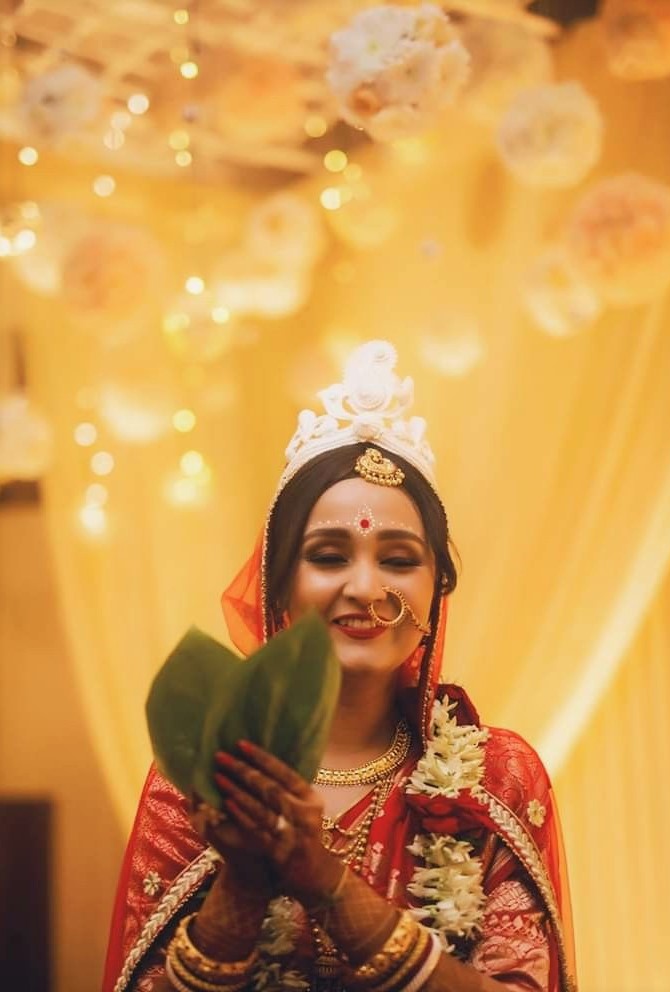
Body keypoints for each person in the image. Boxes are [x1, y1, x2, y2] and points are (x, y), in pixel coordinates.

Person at [102, 340, 576, 992]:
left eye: (399, 559)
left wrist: (324, 881)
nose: (365, 587)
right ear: (278, 587)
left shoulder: (495, 777)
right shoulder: (206, 775)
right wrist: (240, 883)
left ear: (436, 588)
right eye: (328, 556)